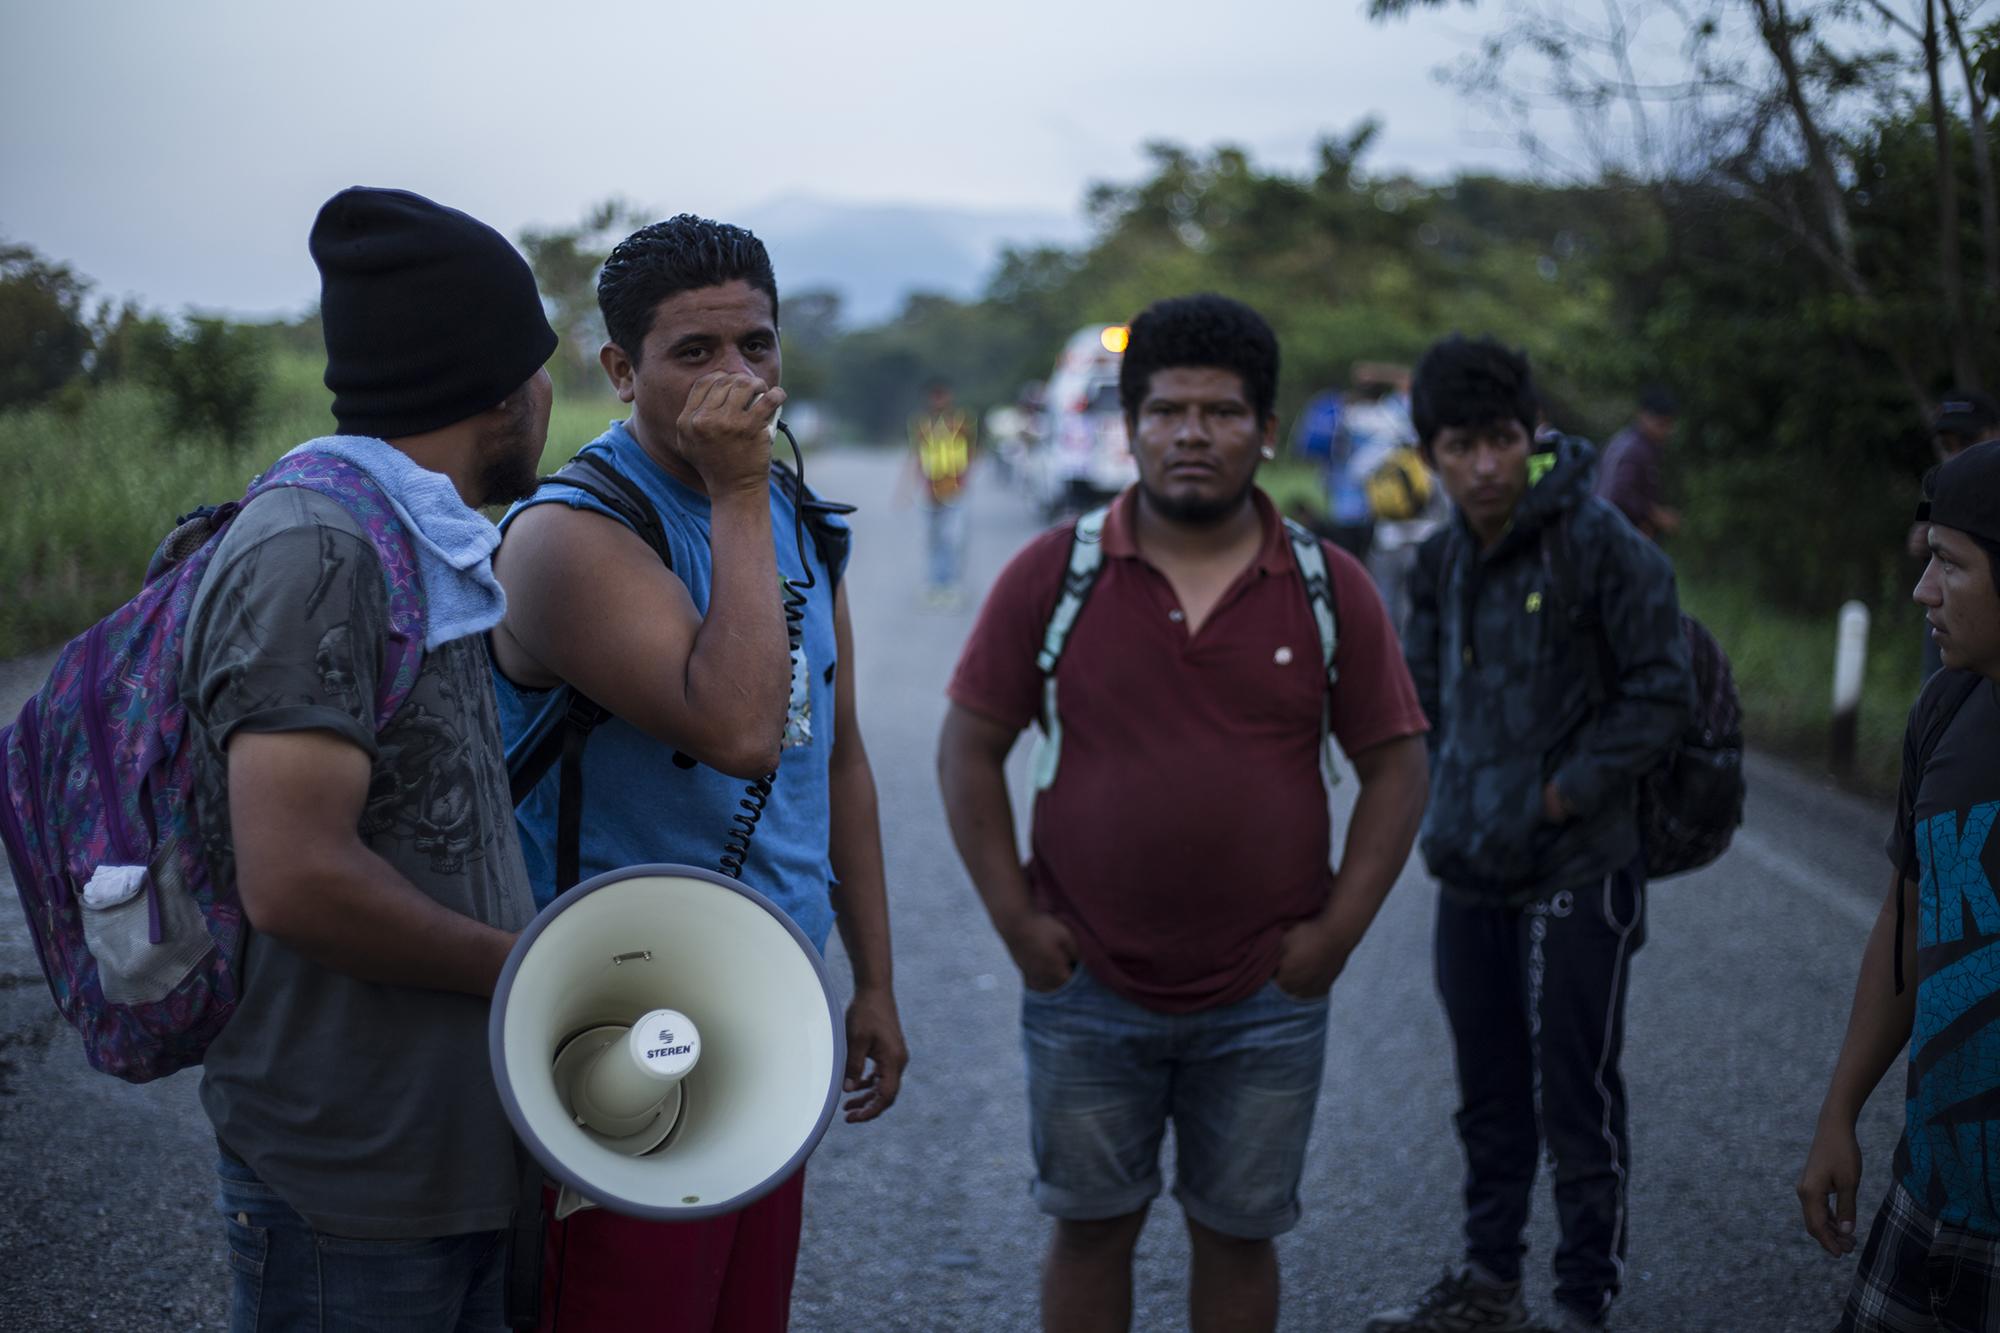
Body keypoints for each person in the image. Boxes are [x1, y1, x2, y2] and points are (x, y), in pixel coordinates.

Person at [939, 293, 1432, 1333]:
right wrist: (1015, 924)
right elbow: (968, 749)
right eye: (1165, 411)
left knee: (1239, 1234)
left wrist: (1335, 935)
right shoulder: (1055, 574)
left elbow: (1395, 766)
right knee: (1087, 1228)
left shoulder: (1326, 584)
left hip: (1266, 993)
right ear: (1129, 426)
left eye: (1220, 411)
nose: (1191, 434)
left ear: (1263, 426)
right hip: (1085, 985)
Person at [488, 214, 907, 1332]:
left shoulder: (792, 516)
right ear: (620, 371)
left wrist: (870, 977)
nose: (737, 377)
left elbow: (838, 754)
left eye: (756, 347)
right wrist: (731, 492)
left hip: (768, 1001)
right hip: (615, 1017)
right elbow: (738, 731)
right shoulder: (573, 535)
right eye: (694, 354)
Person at [183, 187, 556, 1329]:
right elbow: (295, 876)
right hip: (352, 1182)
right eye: (538, 362)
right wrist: (537, 971)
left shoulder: (403, 535)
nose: (549, 394)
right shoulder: (320, 550)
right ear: (499, 387)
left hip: (441, 1160)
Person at [1368, 336, 1691, 1333]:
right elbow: (1414, 703)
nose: (1480, 466)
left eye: (1499, 440)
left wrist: (1560, 796)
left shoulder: (1600, 544)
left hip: (1576, 867)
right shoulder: (1435, 561)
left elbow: (1660, 690)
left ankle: (1582, 1301)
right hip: (1468, 867)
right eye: (1457, 445)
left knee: (1572, 1095)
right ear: (1428, 451)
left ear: (1530, 435)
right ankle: (1488, 1281)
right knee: (1486, 1092)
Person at [1799, 440, 2000, 1332]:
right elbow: (1910, 915)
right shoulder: (1947, 709)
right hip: (1934, 1189)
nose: (1924, 592)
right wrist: (1841, 1108)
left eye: (1950, 566)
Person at [1909, 392, 1999, 678]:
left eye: (1968, 442)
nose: (1957, 455)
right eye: (1947, 447)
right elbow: (1918, 536)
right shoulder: (1941, 485)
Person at [909, 379, 978, 604]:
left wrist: (964, 480)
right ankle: (934, 584)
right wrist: (921, 484)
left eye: (942, 396)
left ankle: (952, 585)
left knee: (953, 538)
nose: (939, 401)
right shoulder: (922, 424)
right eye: (935, 396)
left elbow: (971, 452)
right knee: (933, 539)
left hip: (954, 486)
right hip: (930, 487)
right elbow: (918, 455)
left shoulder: (961, 422)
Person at [1592, 387, 1680, 542]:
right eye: (1661, 424)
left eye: (1668, 425)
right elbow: (1620, 493)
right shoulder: (1635, 450)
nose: (1665, 431)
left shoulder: (1630, 442)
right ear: (1644, 416)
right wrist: (1653, 514)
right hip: (1611, 534)